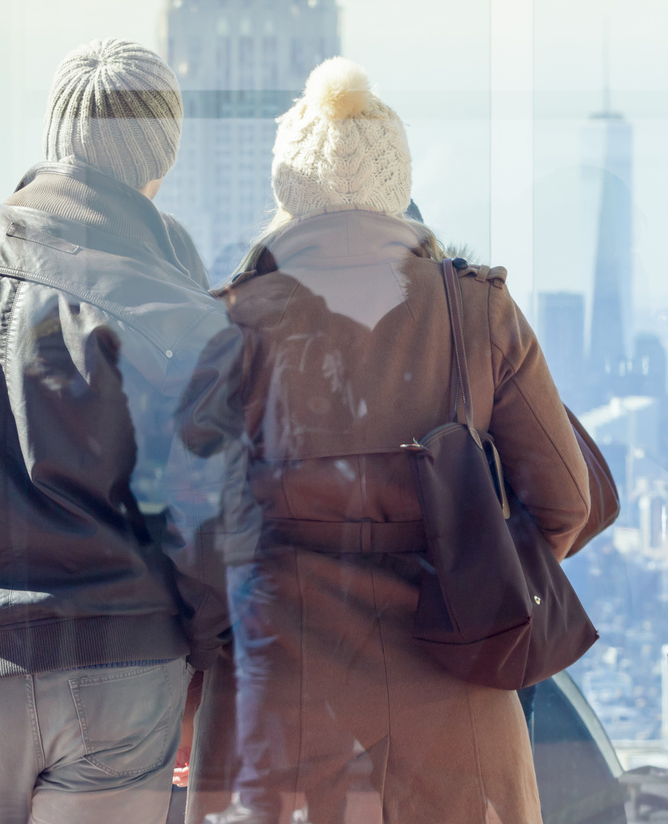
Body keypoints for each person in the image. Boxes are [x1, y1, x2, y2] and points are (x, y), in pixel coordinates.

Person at [187, 57, 591, 824]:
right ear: (394, 187)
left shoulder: (224, 326)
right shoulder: (478, 311)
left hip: (276, 716)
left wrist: (186, 700)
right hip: (455, 701)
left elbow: (185, 545)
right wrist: (474, 572)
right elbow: (566, 505)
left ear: (287, 192)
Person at [0, 38, 250, 824]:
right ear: (160, 164)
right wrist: (197, 668)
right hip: (125, 681)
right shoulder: (184, 316)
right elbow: (212, 534)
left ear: (54, 138)